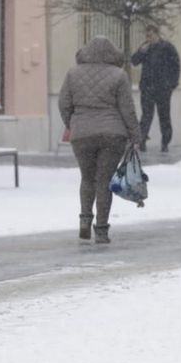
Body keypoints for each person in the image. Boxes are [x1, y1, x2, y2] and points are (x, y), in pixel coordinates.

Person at [58, 36, 143, 245]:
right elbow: (127, 109)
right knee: (104, 181)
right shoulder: (119, 75)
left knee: (87, 178)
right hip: (112, 135)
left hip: (82, 134)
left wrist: (72, 123)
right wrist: (135, 134)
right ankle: (102, 230)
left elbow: (64, 103)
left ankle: (85, 221)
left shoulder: (73, 73)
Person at [130, 24, 181, 153]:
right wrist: (141, 51)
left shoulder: (167, 48)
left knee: (164, 116)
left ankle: (165, 143)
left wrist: (172, 84)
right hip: (147, 87)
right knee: (146, 115)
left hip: (163, 88)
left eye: (150, 35)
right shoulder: (145, 48)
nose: (148, 38)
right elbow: (134, 61)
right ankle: (142, 141)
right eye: (147, 36)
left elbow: (176, 65)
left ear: (157, 34)